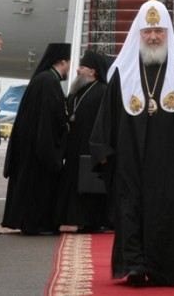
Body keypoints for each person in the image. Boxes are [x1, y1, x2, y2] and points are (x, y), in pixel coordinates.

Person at [90, 0, 174, 287]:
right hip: (130, 158)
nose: (152, 37)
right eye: (147, 31)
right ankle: (135, 266)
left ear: (167, 33)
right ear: (138, 33)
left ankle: (167, 268)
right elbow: (107, 115)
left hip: (169, 160)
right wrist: (102, 149)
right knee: (131, 209)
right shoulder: (123, 71)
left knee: (167, 211)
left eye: (158, 31)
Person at [2, 43, 70, 235]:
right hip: (40, 144)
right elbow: (50, 117)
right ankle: (35, 224)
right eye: (69, 62)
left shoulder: (44, 79)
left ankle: (31, 222)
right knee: (37, 186)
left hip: (34, 143)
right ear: (62, 62)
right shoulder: (49, 81)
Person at [55, 50, 113, 232]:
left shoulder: (103, 91)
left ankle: (92, 221)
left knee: (90, 184)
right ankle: (73, 218)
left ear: (93, 71)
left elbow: (107, 122)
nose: (78, 70)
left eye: (82, 67)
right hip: (74, 145)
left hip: (91, 146)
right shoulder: (76, 91)